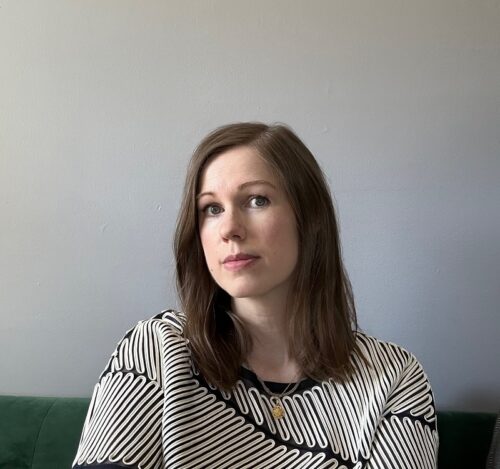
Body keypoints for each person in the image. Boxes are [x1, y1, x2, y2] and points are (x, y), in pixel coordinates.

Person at [73, 122, 438, 468]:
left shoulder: (393, 377)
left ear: (308, 219)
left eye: (257, 200)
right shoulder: (157, 351)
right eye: (211, 209)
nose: (230, 228)